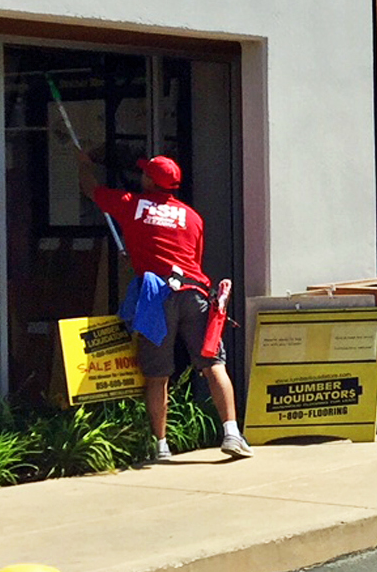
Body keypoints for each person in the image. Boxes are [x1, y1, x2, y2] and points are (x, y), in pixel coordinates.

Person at [71, 143, 251, 461]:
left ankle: (161, 447)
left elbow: (91, 190)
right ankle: (232, 433)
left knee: (157, 375)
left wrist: (84, 163)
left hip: (159, 297)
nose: (141, 176)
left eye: (145, 173)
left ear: (151, 182)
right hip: (195, 293)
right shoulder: (193, 218)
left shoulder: (133, 205)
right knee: (213, 365)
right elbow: (192, 258)